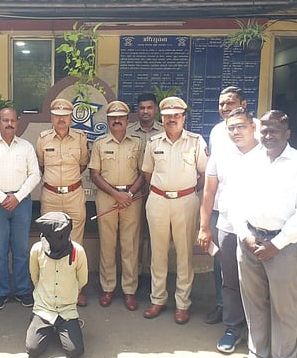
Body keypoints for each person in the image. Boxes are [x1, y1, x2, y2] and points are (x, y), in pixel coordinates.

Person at [230, 110, 297, 358]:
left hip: (282, 246)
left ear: (287, 133)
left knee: (284, 308)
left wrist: (277, 244)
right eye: (264, 130)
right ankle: (258, 355)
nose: (268, 135)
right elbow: (235, 201)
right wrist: (245, 236)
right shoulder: (249, 161)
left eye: (275, 131)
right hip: (249, 241)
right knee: (253, 302)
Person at [197, 108, 262, 354]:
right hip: (227, 227)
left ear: (253, 127)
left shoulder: (267, 154)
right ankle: (233, 328)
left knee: (258, 282)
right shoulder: (220, 156)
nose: (236, 131)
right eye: (231, 128)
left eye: (241, 126)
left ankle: (258, 330)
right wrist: (204, 227)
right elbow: (209, 192)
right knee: (230, 280)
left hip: (260, 230)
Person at [142, 96, 208, 324]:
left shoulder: (196, 142)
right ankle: (158, 299)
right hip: (158, 201)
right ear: (162, 118)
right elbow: (147, 173)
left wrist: (185, 191)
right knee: (158, 253)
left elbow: (204, 174)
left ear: (183, 118)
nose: (172, 119)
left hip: (185, 202)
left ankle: (182, 303)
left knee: (184, 254)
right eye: (168, 116)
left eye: (176, 115)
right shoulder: (154, 143)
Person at [0, 107, 41, 310]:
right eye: (5, 120)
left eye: (13, 120)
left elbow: (35, 175)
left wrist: (17, 197)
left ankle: (23, 290)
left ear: (17, 123)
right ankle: (0, 292)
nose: (9, 124)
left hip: (21, 203)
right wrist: (3, 197)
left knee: (21, 250)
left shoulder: (26, 147)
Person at [89, 100, 145, 311]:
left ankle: (129, 290)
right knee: (107, 243)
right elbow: (94, 174)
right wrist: (116, 194)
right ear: (108, 121)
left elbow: (143, 173)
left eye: (121, 117)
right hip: (107, 196)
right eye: (113, 118)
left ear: (127, 120)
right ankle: (108, 288)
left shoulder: (137, 143)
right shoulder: (100, 143)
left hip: (131, 197)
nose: (117, 121)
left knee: (130, 244)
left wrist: (128, 194)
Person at [36, 98, 90, 307]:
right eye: (57, 115)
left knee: (75, 245)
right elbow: (41, 165)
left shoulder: (80, 139)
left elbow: (83, 164)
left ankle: (76, 291)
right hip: (50, 196)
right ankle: (50, 291)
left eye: (65, 115)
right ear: (51, 117)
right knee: (49, 243)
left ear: (70, 117)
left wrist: (68, 183)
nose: (61, 119)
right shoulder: (43, 139)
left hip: (74, 195)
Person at [26, 212, 88, 358]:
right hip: (44, 308)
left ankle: (63, 327)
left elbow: (82, 280)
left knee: (75, 351)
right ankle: (41, 324)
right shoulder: (37, 249)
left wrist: (69, 294)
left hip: (67, 309)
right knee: (33, 349)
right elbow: (35, 276)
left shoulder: (78, 251)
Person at [127, 92, 164, 279]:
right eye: (142, 108)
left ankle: (152, 275)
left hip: (157, 191)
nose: (145, 111)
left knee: (156, 235)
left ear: (155, 109)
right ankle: (136, 273)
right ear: (137, 110)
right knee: (135, 234)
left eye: (149, 107)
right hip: (133, 191)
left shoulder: (164, 131)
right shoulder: (128, 131)